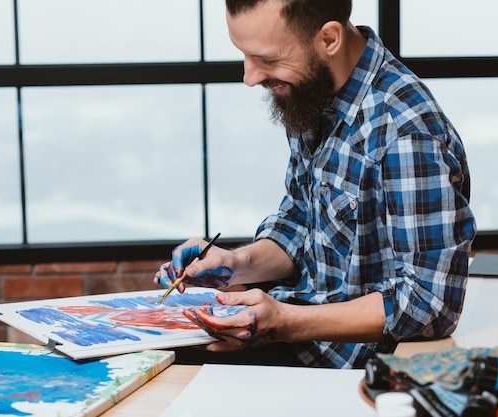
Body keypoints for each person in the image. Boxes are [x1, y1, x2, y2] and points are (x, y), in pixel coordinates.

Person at [154, 0, 476, 369]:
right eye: (243, 55)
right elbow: (300, 224)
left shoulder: (404, 131)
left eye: (268, 59)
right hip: (304, 336)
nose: (250, 76)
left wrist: (286, 322)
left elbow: (429, 303)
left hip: (354, 368)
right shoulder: (314, 93)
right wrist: (235, 265)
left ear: (329, 39)